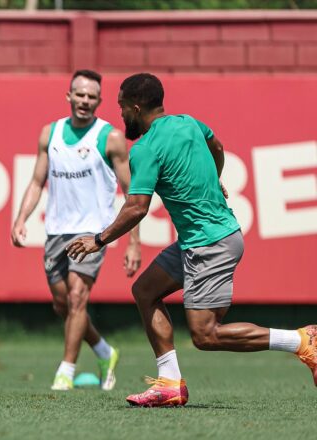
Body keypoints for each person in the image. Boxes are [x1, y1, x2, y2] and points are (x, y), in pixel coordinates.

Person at [66, 73, 317, 407]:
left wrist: (99, 240)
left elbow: (137, 207)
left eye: (122, 107)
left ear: (136, 107)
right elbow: (218, 148)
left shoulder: (146, 149)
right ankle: (169, 383)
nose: (121, 114)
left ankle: (301, 340)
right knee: (145, 291)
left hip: (209, 245)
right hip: (203, 240)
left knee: (206, 334)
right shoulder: (189, 123)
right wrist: (214, 176)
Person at [11, 70, 141, 391]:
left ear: (99, 101)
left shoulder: (110, 137)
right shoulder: (50, 133)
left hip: (93, 232)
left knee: (77, 297)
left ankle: (65, 372)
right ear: (68, 96)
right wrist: (21, 218)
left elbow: (131, 193)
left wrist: (132, 242)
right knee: (63, 305)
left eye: (91, 97)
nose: (84, 101)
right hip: (56, 230)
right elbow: (36, 182)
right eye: (79, 94)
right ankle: (105, 351)